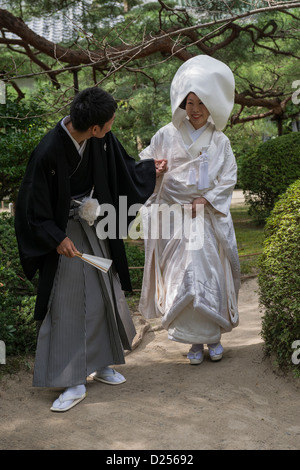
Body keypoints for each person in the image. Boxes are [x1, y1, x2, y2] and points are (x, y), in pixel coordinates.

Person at [14, 86, 167, 412]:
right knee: (69, 305)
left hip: (93, 220)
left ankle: (103, 363)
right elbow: (32, 208)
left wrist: (149, 170)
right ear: (94, 127)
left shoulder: (100, 138)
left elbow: (122, 168)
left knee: (102, 294)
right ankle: (72, 380)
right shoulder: (47, 152)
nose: (112, 126)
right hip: (63, 232)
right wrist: (57, 238)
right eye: (109, 122)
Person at [139, 55, 240, 365]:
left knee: (207, 271)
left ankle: (213, 337)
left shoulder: (220, 140)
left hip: (205, 218)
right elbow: (143, 164)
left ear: (211, 105)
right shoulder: (165, 135)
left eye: (200, 102)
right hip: (173, 219)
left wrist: (206, 199)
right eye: (189, 102)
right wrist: (154, 169)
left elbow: (228, 177)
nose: (194, 109)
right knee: (180, 276)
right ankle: (193, 342)